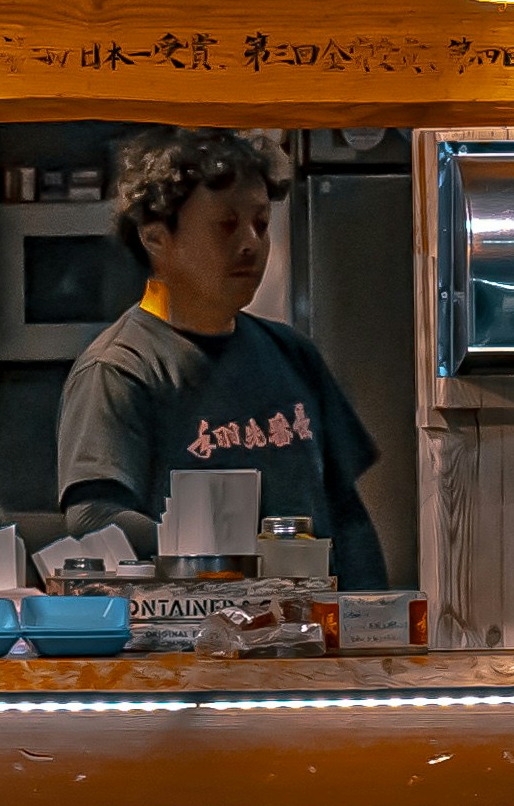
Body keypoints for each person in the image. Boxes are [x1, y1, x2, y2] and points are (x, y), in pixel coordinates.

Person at [50, 127, 392, 585]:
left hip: (304, 639)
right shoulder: (120, 367)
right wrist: (226, 561)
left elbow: (345, 513)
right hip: (189, 642)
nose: (251, 243)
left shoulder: (292, 353)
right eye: (226, 225)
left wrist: (367, 620)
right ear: (155, 238)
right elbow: (93, 517)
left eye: (261, 224)